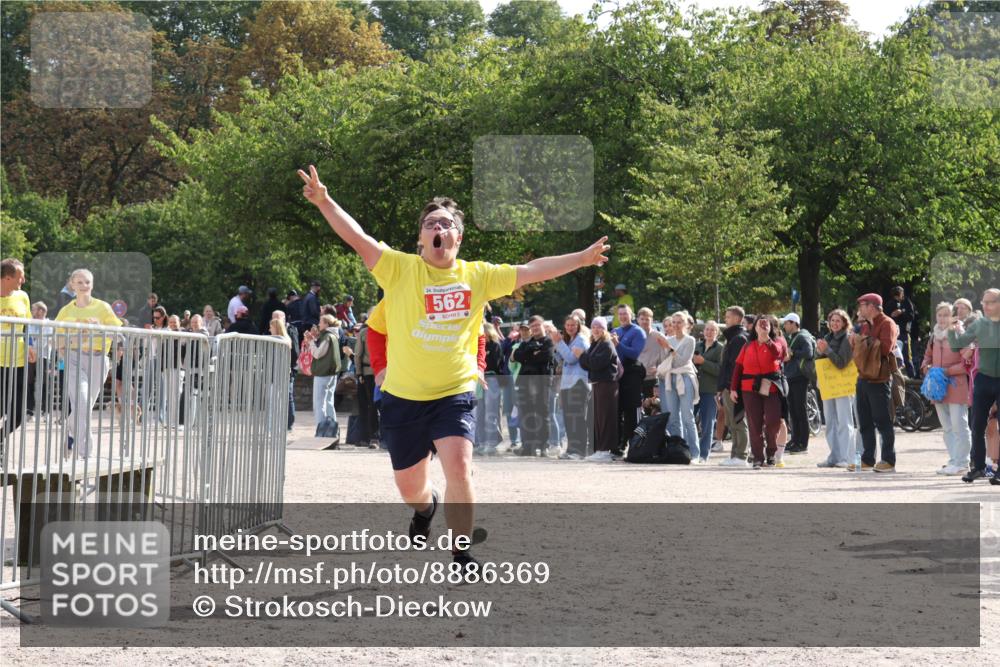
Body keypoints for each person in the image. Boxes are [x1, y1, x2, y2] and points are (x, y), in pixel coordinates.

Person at [299, 164, 609, 571]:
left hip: (453, 392)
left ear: (458, 238)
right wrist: (325, 201)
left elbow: (533, 271)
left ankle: (461, 552)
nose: (438, 229)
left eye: (446, 224)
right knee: (411, 488)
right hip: (404, 397)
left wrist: (582, 259)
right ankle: (426, 509)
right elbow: (357, 237)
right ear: (421, 238)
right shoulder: (400, 269)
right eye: (431, 224)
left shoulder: (476, 276)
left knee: (460, 466)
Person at [54, 268, 122, 458]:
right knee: (82, 402)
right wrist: (64, 349)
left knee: (84, 406)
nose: (84, 286)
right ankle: (85, 454)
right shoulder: (66, 311)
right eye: (80, 282)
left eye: (88, 282)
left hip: (99, 359)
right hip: (75, 358)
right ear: (72, 285)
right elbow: (57, 335)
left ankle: (70, 430)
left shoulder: (103, 307)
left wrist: (99, 328)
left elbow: (117, 333)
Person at [948, 288, 1000, 483]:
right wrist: (952, 331)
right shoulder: (979, 324)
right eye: (983, 302)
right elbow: (957, 345)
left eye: (990, 302)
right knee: (976, 425)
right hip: (983, 379)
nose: (985, 306)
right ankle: (977, 467)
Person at [849, 293, 900, 473]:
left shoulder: (887, 323)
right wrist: (855, 341)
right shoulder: (866, 325)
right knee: (864, 422)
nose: (860, 310)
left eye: (862, 305)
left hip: (880, 379)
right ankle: (867, 459)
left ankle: (888, 459)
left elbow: (886, 348)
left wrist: (862, 341)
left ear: (871, 306)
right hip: (863, 378)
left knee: (883, 421)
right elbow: (859, 352)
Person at [921, 302, 973, 475]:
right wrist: (926, 368)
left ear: (953, 317)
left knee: (959, 424)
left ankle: (963, 462)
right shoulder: (933, 336)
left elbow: (967, 361)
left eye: (946, 315)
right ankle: (953, 460)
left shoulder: (960, 334)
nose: (942, 318)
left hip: (956, 385)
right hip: (937, 386)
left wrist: (946, 371)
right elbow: (927, 357)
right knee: (947, 427)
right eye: (940, 315)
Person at [731, 314, 787, 469]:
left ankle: (771, 453)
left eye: (766, 324)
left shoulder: (777, 342)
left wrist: (767, 339)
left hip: (771, 387)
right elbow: (738, 367)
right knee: (754, 424)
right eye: (759, 325)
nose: (762, 327)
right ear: (754, 328)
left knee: (773, 420)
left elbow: (778, 354)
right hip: (749, 387)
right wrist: (733, 388)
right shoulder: (747, 346)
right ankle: (757, 457)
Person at [1, 258, 36, 448]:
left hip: (19, 361)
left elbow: (27, 323)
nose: (23, 281)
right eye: (20, 277)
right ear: (7, 278)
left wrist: (30, 344)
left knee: (19, 413)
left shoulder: (23, 296)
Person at [815, 308, 856, 468]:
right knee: (830, 421)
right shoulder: (827, 337)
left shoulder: (847, 338)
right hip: (828, 385)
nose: (834, 323)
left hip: (842, 386)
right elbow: (820, 361)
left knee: (844, 421)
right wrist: (819, 351)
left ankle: (846, 457)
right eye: (832, 320)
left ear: (845, 323)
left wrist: (827, 350)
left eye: (838, 320)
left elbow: (841, 362)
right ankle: (834, 455)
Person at [658, 311, 699, 460]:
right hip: (670, 378)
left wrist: (668, 348)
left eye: (679, 322)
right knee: (674, 417)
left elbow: (682, 361)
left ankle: (695, 453)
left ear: (686, 324)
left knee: (688, 416)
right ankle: (678, 452)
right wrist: (666, 348)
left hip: (684, 378)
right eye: (674, 322)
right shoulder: (669, 339)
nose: (676, 325)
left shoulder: (690, 340)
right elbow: (665, 361)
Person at [513, 315, 555, 456]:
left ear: (543, 325)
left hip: (541, 381)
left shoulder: (548, 341)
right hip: (525, 381)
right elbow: (516, 356)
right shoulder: (527, 342)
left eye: (537, 325)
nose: (535, 328)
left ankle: (543, 446)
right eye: (532, 326)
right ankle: (528, 447)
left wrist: (528, 355)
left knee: (542, 413)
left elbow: (545, 357)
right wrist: (531, 352)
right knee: (526, 414)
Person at [552, 313, 591, 460]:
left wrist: (559, 343)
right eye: (567, 325)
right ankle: (571, 449)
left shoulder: (581, 339)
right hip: (568, 383)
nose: (570, 327)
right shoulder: (571, 340)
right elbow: (563, 359)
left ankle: (579, 451)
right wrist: (557, 345)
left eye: (573, 325)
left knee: (577, 418)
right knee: (569, 418)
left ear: (579, 325)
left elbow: (571, 358)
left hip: (578, 383)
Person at [580, 317, 619, 461]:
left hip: (606, 384)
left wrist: (581, 356)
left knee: (605, 418)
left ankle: (605, 450)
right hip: (597, 384)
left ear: (604, 329)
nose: (596, 329)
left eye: (599, 327)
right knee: (597, 418)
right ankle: (599, 449)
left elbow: (596, 363)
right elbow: (586, 365)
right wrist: (584, 358)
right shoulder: (595, 344)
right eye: (594, 326)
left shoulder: (606, 344)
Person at [717, 306, 751, 467]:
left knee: (738, 420)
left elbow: (737, 367)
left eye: (728, 317)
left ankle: (741, 455)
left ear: (737, 319)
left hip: (734, 387)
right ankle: (735, 455)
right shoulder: (733, 337)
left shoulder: (739, 338)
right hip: (728, 387)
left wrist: (732, 387)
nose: (726, 319)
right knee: (731, 422)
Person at [612, 304, 646, 452]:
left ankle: (633, 445)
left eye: (625, 314)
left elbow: (634, 353)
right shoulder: (615, 331)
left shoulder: (638, 331)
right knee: (616, 410)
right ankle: (618, 444)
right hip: (616, 374)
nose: (623, 317)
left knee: (631, 411)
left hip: (632, 373)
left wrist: (618, 344)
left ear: (631, 315)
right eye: (620, 314)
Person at [305, 314, 343, 443]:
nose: (319, 324)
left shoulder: (327, 336)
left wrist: (310, 342)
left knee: (319, 403)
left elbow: (317, 354)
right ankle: (333, 430)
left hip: (323, 374)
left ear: (327, 324)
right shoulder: (333, 335)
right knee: (328, 402)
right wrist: (314, 339)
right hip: (331, 374)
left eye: (321, 322)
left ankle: (321, 431)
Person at [782, 312, 816, 454]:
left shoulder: (802, 336)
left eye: (786, 323)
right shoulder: (794, 337)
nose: (784, 326)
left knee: (800, 411)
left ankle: (803, 443)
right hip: (792, 377)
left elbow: (808, 352)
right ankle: (795, 440)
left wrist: (792, 353)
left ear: (794, 323)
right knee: (794, 410)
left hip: (799, 378)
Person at [693, 320, 724, 462]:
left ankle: (704, 455)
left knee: (707, 423)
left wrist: (703, 363)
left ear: (717, 333)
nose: (709, 332)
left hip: (709, 391)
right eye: (707, 329)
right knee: (689, 421)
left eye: (712, 330)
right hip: (693, 390)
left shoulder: (720, 349)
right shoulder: (696, 346)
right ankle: (692, 451)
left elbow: (720, 370)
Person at [271, 310, 299, 431]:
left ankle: (288, 423)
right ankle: (277, 424)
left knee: (288, 396)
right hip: (275, 370)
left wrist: (289, 366)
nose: (275, 320)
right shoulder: (272, 335)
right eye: (274, 317)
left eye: (278, 318)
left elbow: (295, 352)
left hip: (287, 370)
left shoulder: (291, 331)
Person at [354, 312, 379, 445]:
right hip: (370, 372)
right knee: (371, 405)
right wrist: (359, 373)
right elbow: (358, 354)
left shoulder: (365, 332)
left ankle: (369, 437)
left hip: (376, 373)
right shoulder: (365, 332)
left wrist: (359, 373)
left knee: (371, 405)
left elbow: (358, 354)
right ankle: (370, 437)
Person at [636, 307, 669, 400]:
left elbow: (666, 356)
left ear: (652, 320)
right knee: (636, 408)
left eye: (647, 319)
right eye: (642, 319)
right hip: (635, 377)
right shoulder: (634, 335)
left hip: (651, 379)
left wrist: (658, 369)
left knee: (652, 408)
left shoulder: (658, 336)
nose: (644, 321)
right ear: (638, 320)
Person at [888, 286, 917, 377]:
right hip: (893, 334)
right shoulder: (890, 304)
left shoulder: (907, 303)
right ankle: (894, 376)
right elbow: (887, 316)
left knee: (907, 355)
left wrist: (902, 313)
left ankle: (911, 377)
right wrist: (892, 315)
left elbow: (911, 316)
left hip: (904, 333)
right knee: (893, 355)